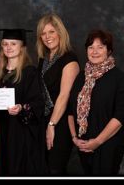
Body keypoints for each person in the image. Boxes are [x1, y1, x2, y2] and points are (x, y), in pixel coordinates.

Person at [68, 29, 124, 175]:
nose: (94, 51)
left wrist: (97, 142)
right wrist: (74, 138)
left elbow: (120, 116)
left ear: (109, 50)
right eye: (91, 47)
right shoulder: (81, 77)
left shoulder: (120, 79)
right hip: (84, 145)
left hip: (109, 145)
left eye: (100, 47)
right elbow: (71, 110)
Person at [0, 28, 46, 175]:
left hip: (21, 134)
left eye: (13, 44)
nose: (8, 47)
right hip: (2, 131)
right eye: (5, 44)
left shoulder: (29, 72)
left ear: (22, 47)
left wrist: (21, 108)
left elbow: (38, 103)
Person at [36, 14, 80, 175]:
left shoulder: (70, 60)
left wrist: (51, 125)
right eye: (43, 33)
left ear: (60, 33)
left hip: (60, 122)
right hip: (43, 119)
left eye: (51, 32)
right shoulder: (44, 59)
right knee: (44, 168)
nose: (47, 37)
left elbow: (64, 96)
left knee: (55, 168)